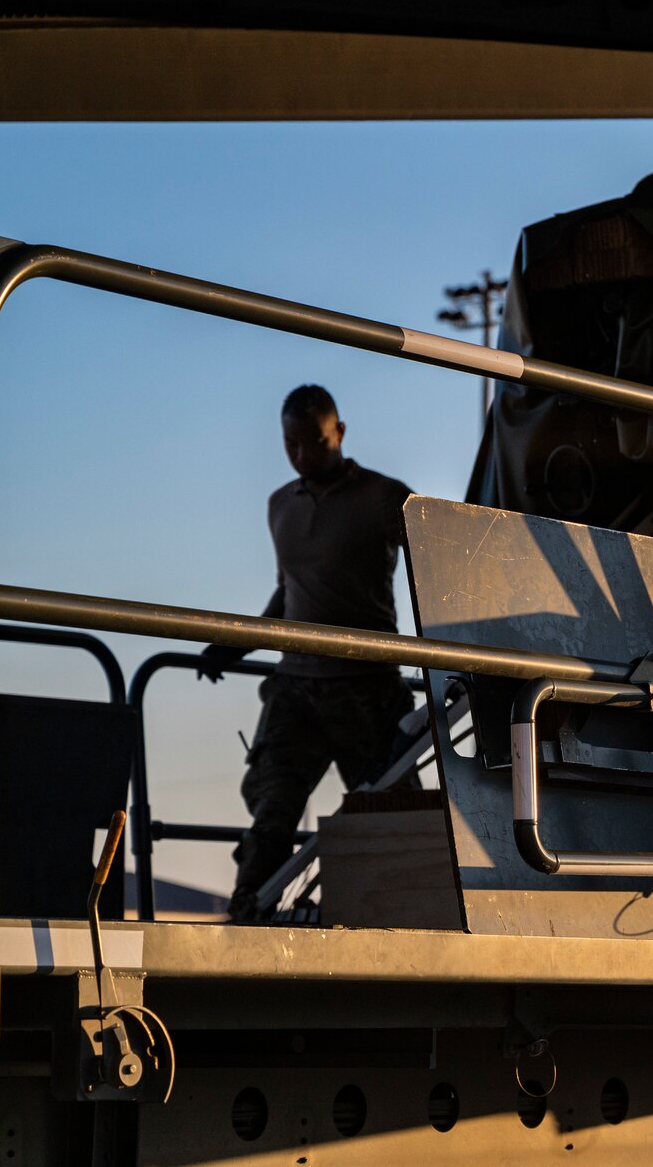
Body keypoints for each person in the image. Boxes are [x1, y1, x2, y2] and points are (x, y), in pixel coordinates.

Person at [205, 385, 416, 922]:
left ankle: (408, 918)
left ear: (339, 433)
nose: (301, 455)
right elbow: (288, 596)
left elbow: (439, 567)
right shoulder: (279, 505)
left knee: (394, 816)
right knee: (272, 813)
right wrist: (232, 645)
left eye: (314, 443)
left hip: (366, 689)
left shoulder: (386, 497)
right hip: (295, 689)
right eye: (290, 444)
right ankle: (246, 919)